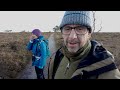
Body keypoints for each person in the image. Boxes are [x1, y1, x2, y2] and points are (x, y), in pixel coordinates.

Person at [47, 11, 120, 79]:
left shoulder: (106, 68)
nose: (72, 36)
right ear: (62, 33)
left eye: (80, 29)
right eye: (67, 29)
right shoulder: (57, 57)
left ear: (89, 34)